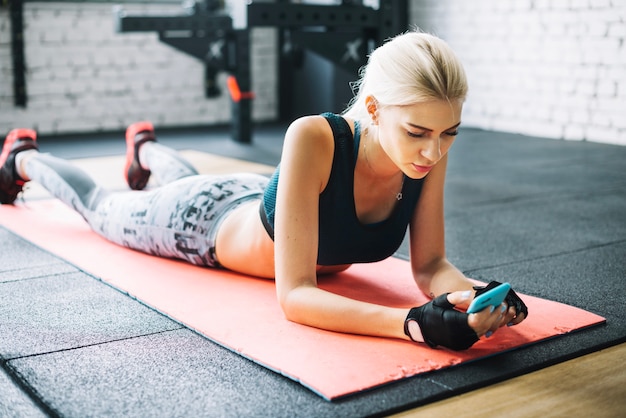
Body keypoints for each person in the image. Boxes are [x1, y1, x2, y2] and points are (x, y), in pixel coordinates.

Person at [0, 31, 526, 351]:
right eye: (418, 133)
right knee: (99, 206)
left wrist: (471, 294)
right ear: (373, 109)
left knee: (188, 179)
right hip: (199, 223)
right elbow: (295, 296)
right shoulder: (313, 137)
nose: (434, 152)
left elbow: (430, 264)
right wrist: (414, 325)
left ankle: (145, 152)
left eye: (448, 133)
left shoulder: (423, 155)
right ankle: (21, 157)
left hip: (254, 195)